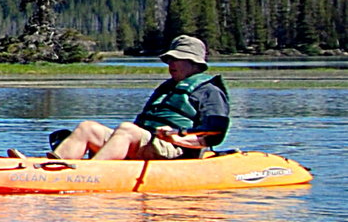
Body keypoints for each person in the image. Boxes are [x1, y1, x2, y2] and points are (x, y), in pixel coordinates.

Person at [51, 36, 229, 162]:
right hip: (148, 143)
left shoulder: (210, 91)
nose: (171, 64)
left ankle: (91, 173)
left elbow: (214, 135)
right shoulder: (167, 87)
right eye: (169, 59)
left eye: (178, 59)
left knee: (128, 129)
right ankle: (51, 168)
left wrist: (177, 138)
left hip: (176, 150)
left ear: (194, 63)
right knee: (87, 128)